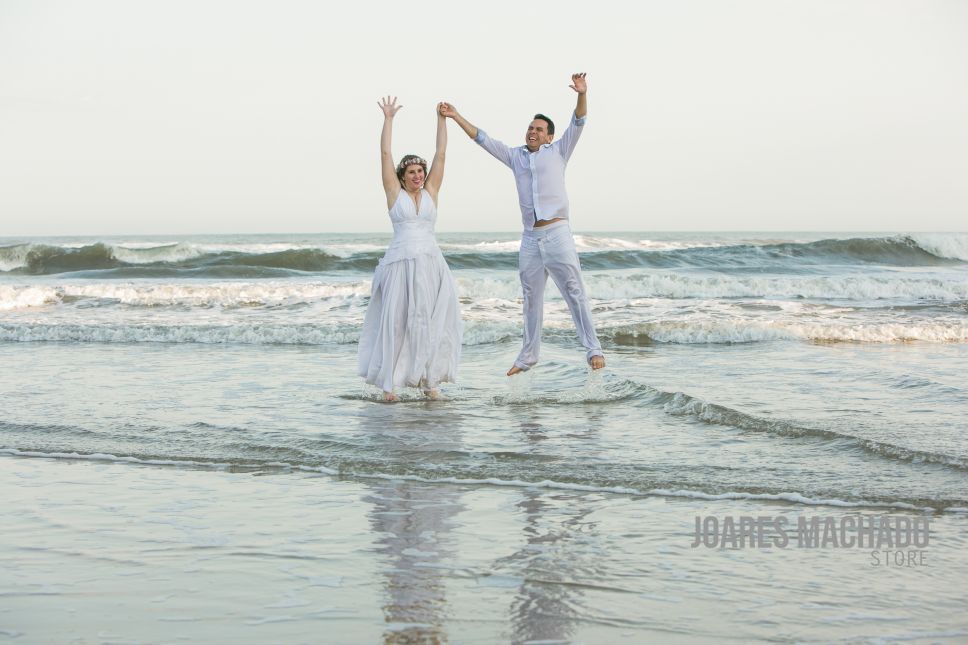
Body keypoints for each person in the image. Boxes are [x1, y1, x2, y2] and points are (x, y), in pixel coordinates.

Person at [439, 73, 605, 376]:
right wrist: (455, 116)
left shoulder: (559, 151)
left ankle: (593, 349)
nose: (532, 131)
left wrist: (581, 93)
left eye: (539, 129)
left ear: (549, 136)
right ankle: (528, 356)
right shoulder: (515, 157)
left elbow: (579, 120)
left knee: (574, 292)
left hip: (557, 234)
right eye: (530, 127)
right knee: (530, 297)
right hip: (530, 238)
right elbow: (483, 139)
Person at [357, 96, 462, 401]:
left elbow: (441, 153)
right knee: (397, 322)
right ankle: (390, 385)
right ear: (402, 177)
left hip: (430, 264)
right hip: (400, 264)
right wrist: (388, 119)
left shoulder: (431, 192)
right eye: (412, 172)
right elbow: (386, 153)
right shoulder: (394, 193)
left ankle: (431, 382)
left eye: (420, 171)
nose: (418, 176)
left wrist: (442, 119)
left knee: (431, 321)